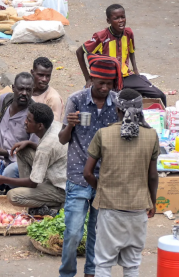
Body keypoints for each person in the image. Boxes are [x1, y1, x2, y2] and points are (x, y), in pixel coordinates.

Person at [83, 88, 159, 277]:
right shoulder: (151, 136)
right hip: (138, 209)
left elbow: (87, 173)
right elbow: (152, 176)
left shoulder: (104, 134)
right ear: (141, 110)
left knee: (102, 264)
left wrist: (101, 189)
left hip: (110, 209)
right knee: (132, 265)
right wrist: (153, 201)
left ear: (117, 109)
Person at [58, 54, 121, 277]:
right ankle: (67, 273)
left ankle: (91, 273)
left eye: (109, 83)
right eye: (101, 83)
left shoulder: (117, 104)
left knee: (97, 233)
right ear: (91, 79)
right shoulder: (76, 100)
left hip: (105, 178)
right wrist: (69, 125)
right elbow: (63, 139)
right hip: (78, 176)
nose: (105, 88)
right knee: (73, 232)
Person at [77, 3, 167, 106]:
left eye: (122, 17)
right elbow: (79, 52)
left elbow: (131, 51)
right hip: (109, 78)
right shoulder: (101, 37)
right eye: (116, 18)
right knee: (112, 104)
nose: (121, 21)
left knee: (159, 95)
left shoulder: (128, 33)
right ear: (108, 21)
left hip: (126, 76)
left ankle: (164, 119)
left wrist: (136, 72)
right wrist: (88, 79)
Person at [0, 103, 67, 215]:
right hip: (54, 173)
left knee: (13, 196)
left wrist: (3, 179)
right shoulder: (53, 125)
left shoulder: (46, 147)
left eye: (29, 120)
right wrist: (30, 143)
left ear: (40, 126)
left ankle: (54, 205)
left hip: (61, 189)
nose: (25, 122)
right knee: (22, 150)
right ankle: (37, 195)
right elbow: (51, 153)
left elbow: (32, 182)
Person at [31, 57, 64, 121]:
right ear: (32, 72)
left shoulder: (53, 99)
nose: (44, 79)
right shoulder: (25, 90)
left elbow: (54, 125)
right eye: (40, 75)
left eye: (48, 76)